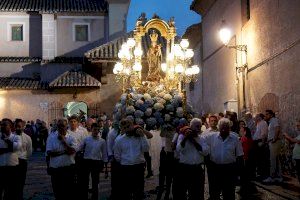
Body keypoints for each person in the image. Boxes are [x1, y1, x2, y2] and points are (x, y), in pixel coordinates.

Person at [205, 118, 244, 200]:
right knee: (214, 193)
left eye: (226, 128)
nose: (223, 130)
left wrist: (238, 172)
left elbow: (240, 156)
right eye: (222, 127)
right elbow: (201, 144)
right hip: (215, 169)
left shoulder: (235, 139)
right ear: (218, 128)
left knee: (229, 194)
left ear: (229, 128)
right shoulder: (210, 137)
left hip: (229, 170)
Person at [113, 119, 150, 200]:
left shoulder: (139, 137)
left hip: (138, 167)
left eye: (128, 126)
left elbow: (146, 149)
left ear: (132, 125)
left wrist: (142, 136)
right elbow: (117, 155)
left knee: (139, 191)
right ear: (122, 129)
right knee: (126, 192)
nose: (127, 129)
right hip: (126, 168)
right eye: (124, 127)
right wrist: (125, 162)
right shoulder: (119, 140)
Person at [175, 119, 209, 200]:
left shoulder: (202, 138)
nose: (199, 129)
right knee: (182, 193)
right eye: (197, 126)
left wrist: (193, 141)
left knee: (197, 193)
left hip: (197, 170)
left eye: (200, 126)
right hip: (184, 169)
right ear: (191, 127)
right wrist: (186, 138)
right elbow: (179, 149)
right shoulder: (181, 136)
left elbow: (205, 152)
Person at [46, 118, 77, 200]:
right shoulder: (51, 137)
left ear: (66, 126)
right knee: (58, 193)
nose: (60, 128)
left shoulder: (71, 138)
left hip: (68, 169)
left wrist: (63, 141)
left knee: (69, 192)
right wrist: (64, 152)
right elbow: (50, 153)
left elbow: (72, 151)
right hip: (56, 170)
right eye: (59, 126)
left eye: (62, 126)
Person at [80, 123, 108, 200]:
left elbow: (104, 154)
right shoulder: (86, 139)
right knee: (85, 181)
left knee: (95, 181)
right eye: (95, 129)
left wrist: (105, 168)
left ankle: (95, 197)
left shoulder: (102, 141)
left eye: (98, 130)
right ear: (91, 129)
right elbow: (80, 149)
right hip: (87, 162)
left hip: (97, 162)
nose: (96, 131)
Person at [0, 118, 22, 200]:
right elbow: (12, 149)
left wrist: (6, 140)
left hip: (12, 169)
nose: (2, 126)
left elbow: (16, 148)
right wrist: (10, 149)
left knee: (11, 191)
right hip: (1, 167)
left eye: (4, 125)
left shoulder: (16, 137)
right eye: (1, 125)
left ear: (10, 126)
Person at [68, 115, 89, 199]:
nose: (73, 123)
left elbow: (87, 142)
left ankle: (82, 193)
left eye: (74, 121)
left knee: (82, 176)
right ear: (69, 122)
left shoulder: (83, 131)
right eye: (71, 121)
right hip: (70, 156)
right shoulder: (67, 132)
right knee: (71, 176)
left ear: (77, 122)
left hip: (81, 156)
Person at [15, 119, 33, 199]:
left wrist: (23, 158)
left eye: (19, 127)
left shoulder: (27, 138)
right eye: (16, 126)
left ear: (23, 127)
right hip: (12, 163)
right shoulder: (11, 136)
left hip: (22, 162)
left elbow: (29, 152)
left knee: (20, 183)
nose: (17, 128)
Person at [157, 124, 176, 200]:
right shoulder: (164, 133)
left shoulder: (174, 133)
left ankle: (167, 193)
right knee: (162, 175)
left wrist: (171, 131)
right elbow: (162, 134)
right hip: (164, 153)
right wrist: (165, 129)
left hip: (171, 154)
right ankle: (161, 191)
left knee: (169, 176)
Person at [263, 110, 283, 183]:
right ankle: (279, 176)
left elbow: (277, 129)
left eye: (267, 114)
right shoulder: (271, 121)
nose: (266, 116)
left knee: (273, 160)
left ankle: (272, 177)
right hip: (272, 142)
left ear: (271, 115)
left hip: (275, 142)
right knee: (276, 160)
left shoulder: (274, 120)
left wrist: (274, 139)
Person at [201, 115, 218, 199]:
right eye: (212, 121)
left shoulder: (220, 131)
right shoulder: (206, 132)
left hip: (219, 158)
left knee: (218, 178)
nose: (213, 122)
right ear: (209, 122)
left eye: (215, 120)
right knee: (211, 177)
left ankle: (217, 195)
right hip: (210, 157)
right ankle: (212, 195)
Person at [253, 113, 269, 180]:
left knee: (261, 158)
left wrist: (262, 142)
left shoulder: (263, 123)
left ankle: (262, 174)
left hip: (260, 142)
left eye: (256, 116)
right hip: (257, 142)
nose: (255, 117)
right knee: (258, 159)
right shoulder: (258, 123)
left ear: (260, 117)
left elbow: (263, 134)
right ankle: (260, 173)